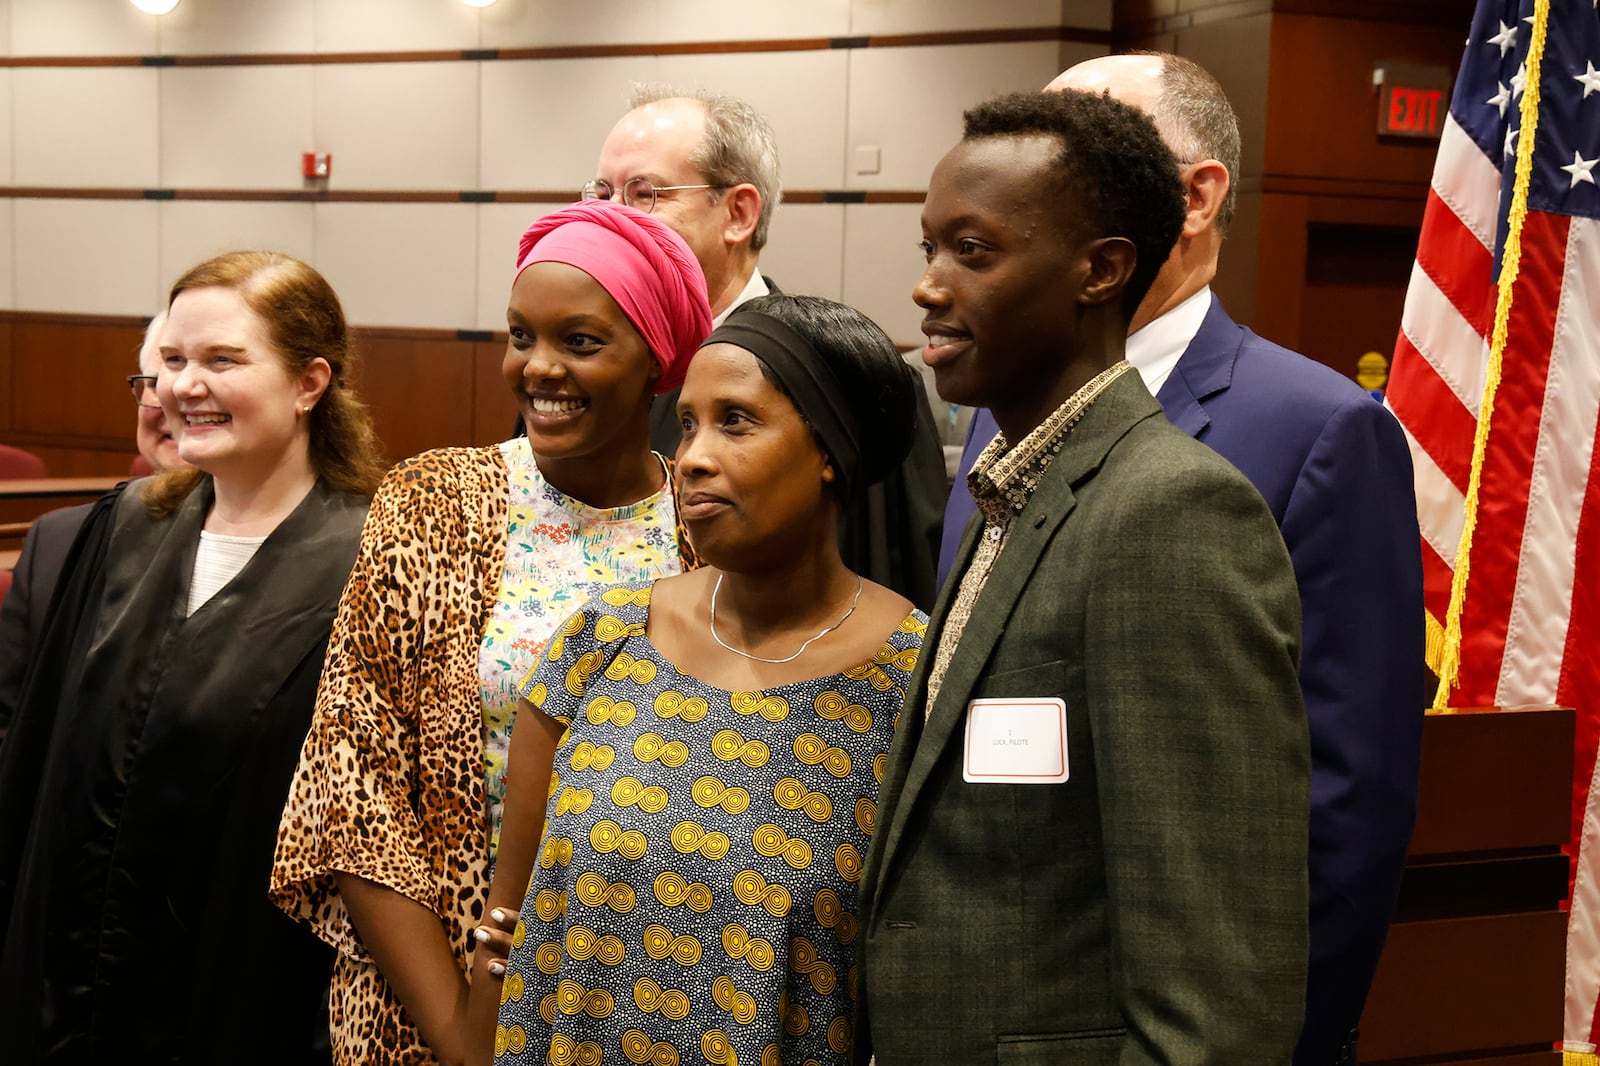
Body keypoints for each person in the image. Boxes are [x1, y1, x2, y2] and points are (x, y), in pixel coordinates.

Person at [941, 53, 1425, 1065]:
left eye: (1067, 154)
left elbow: (1346, 804)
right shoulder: (997, 412)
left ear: (1194, 196)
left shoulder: (1319, 432)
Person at [855, 90, 1310, 1064]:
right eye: (928, 248)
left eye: (971, 251)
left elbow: (1215, 1000)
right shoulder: (1013, 489)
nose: (929, 288)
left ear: (1098, 272)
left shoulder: (1171, 514)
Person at [270, 200, 713, 1066]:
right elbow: (353, 791)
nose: (537, 368)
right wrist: (462, 1034)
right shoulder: (433, 502)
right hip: (428, 998)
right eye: (521, 335)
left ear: (660, 361)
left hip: (643, 992)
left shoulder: (702, 530)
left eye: (580, 342)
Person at [472, 293, 928, 1066]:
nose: (692, 456)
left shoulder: (914, 679)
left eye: (736, 421)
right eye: (687, 423)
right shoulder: (605, 638)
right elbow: (506, 920)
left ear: (830, 451)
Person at [0, 250, 384, 1063]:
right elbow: (35, 771)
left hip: (249, 996)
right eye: (172, 361)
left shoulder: (373, 559)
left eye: (221, 360)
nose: (184, 386)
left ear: (310, 384)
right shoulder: (122, 528)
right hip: (70, 990)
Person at [583, 83, 949, 609]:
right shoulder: (581, 371)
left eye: (644, 194)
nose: (610, 218)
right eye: (602, 193)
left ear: (738, 213)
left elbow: (898, 592)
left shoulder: (843, 377)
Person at [0, 311, 188, 741]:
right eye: (157, 384)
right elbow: (11, 722)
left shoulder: (340, 554)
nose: (177, 404)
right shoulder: (57, 541)